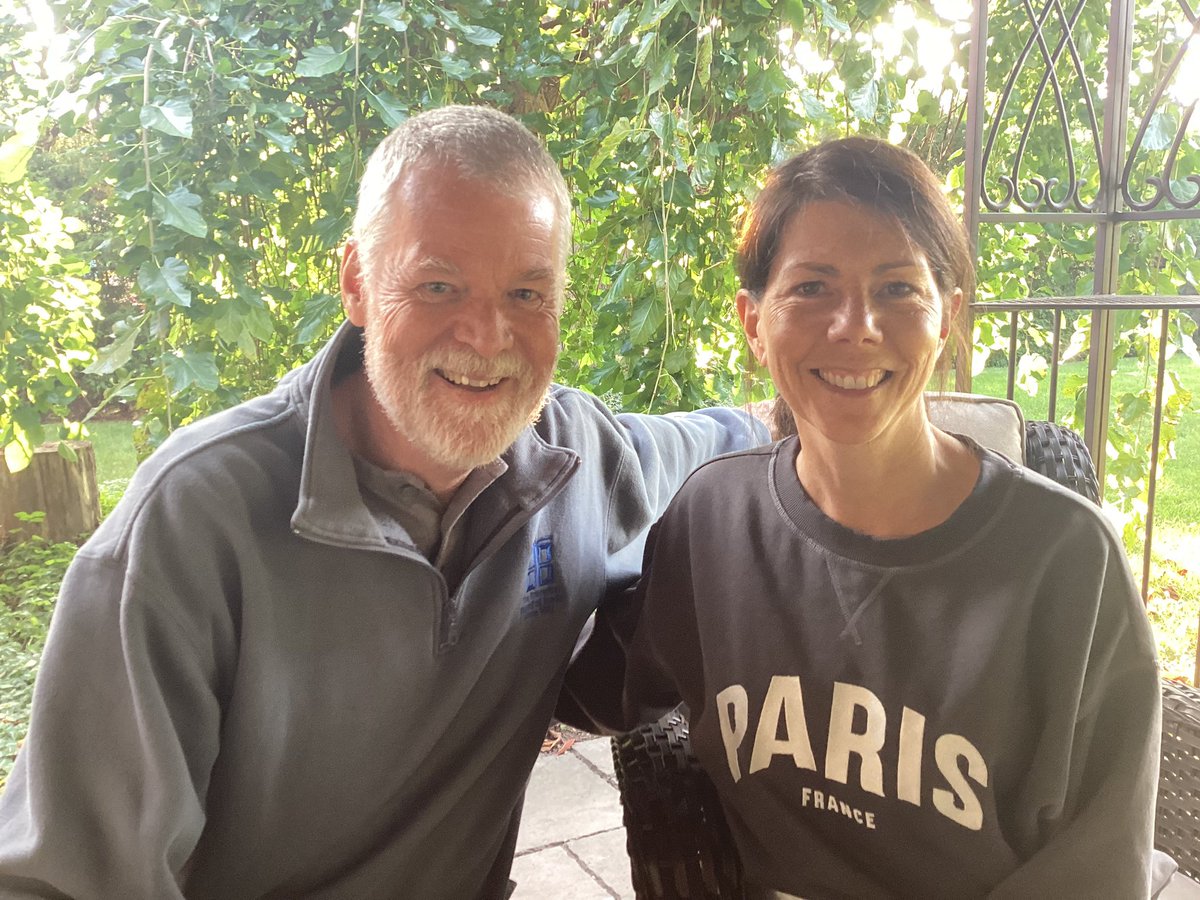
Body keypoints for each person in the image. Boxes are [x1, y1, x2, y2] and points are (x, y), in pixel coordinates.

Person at [0, 105, 768, 899]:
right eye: (439, 286)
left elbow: (723, 437)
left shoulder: (577, 458)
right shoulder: (194, 521)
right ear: (357, 283)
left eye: (528, 293)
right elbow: (62, 881)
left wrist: (832, 414)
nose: (486, 334)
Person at [613, 137, 1162, 897]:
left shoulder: (1066, 563)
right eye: (811, 287)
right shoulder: (710, 522)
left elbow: (1097, 869)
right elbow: (628, 694)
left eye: (899, 288)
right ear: (752, 319)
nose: (856, 325)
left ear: (947, 319)